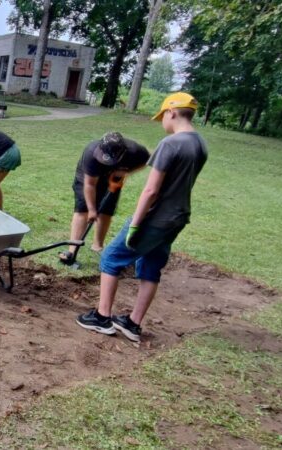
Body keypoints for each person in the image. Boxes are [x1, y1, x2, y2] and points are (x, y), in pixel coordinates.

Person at [76, 92, 208, 342]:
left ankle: (102, 317)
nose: (163, 123)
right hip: (177, 217)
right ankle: (133, 324)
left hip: (155, 217)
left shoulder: (171, 144)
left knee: (111, 258)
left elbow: (151, 190)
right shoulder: (200, 144)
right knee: (150, 267)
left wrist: (136, 223)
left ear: (172, 112)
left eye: (163, 118)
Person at [58, 132, 150, 265]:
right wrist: (91, 209)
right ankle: (72, 251)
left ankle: (97, 246)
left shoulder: (134, 150)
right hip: (88, 177)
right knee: (82, 210)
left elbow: (146, 161)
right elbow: (89, 184)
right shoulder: (91, 153)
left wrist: (126, 172)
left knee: (106, 211)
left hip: (114, 178)